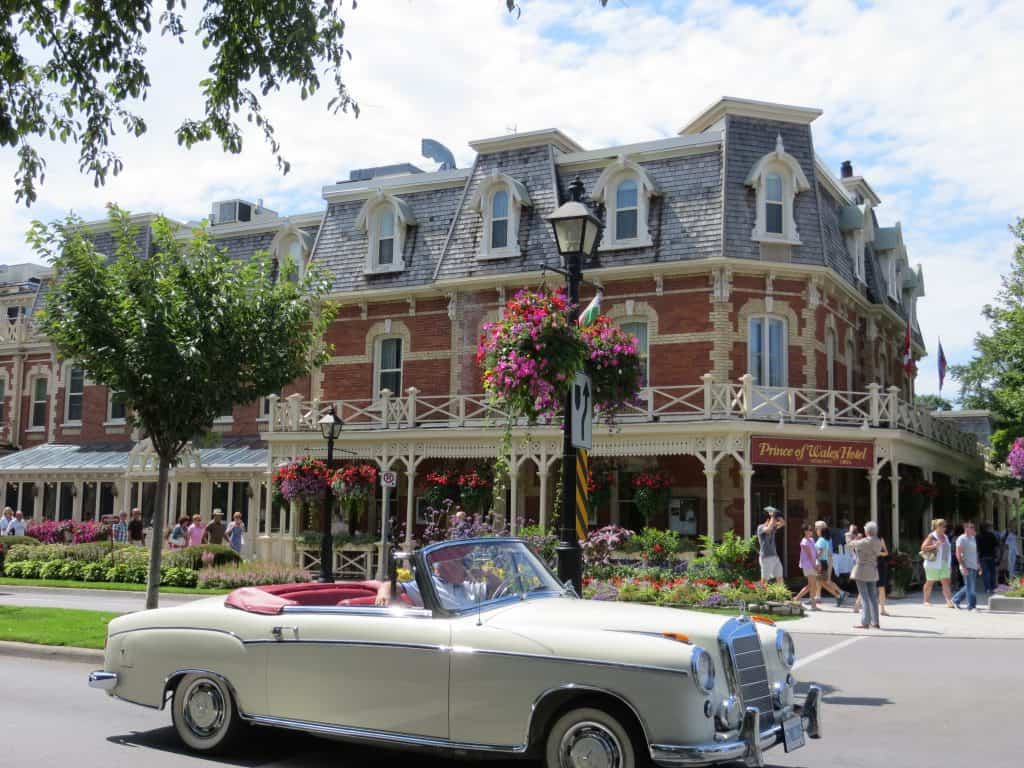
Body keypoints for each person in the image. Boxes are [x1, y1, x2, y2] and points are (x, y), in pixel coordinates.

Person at [375, 544, 499, 609]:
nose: (465, 568)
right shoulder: (429, 585)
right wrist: (384, 594)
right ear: (447, 566)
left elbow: (502, 588)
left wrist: (486, 573)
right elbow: (390, 585)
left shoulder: (469, 587)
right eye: (461, 563)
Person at [849, 520, 884, 629]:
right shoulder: (878, 541)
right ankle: (875, 622)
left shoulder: (864, 542)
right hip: (873, 570)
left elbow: (850, 544)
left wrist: (851, 533)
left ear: (867, 531)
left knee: (864, 597)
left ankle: (865, 622)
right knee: (873, 597)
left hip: (862, 570)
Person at [921, 518, 954, 608]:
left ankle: (949, 601)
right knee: (930, 582)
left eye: (945, 526)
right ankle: (926, 600)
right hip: (933, 563)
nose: (944, 528)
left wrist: (949, 564)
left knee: (946, 582)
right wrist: (935, 545)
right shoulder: (932, 536)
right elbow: (923, 548)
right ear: (937, 527)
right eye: (943, 526)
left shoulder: (946, 537)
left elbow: (948, 551)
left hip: (944, 563)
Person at [952, 521, 979, 611]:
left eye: (973, 527)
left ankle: (955, 599)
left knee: (969, 586)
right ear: (966, 528)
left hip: (973, 565)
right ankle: (972, 606)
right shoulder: (961, 539)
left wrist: (978, 564)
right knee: (971, 587)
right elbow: (958, 554)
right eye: (971, 527)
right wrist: (963, 566)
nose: (973, 529)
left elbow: (975, 553)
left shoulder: (973, 538)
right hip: (966, 565)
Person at [756, 507, 786, 587]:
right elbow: (768, 529)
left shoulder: (773, 527)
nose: (776, 522)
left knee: (780, 577)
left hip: (775, 556)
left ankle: (781, 594)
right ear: (768, 520)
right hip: (766, 557)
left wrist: (777, 515)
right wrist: (773, 516)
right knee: (765, 579)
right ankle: (760, 595)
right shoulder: (760, 528)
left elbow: (783, 523)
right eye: (775, 520)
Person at [798, 524, 820, 610]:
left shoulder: (811, 540)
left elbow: (814, 554)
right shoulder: (804, 542)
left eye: (811, 530)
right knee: (812, 585)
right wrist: (814, 565)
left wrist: (819, 555)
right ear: (805, 531)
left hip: (812, 564)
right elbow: (809, 555)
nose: (811, 531)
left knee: (811, 585)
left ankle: (796, 598)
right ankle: (813, 605)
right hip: (808, 565)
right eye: (809, 530)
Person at [976, 523, 999, 594]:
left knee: (985, 573)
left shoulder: (978, 536)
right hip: (991, 556)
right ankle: (993, 587)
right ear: (986, 528)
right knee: (992, 573)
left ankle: (987, 588)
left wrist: (977, 558)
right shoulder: (991, 535)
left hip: (982, 557)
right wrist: (997, 556)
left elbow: (977, 548)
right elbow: (996, 546)